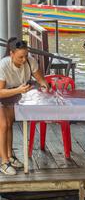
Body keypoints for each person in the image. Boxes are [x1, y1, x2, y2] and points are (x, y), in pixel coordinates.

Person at [0, 38, 50, 175]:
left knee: (9, 124)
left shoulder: (29, 60)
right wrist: (18, 91)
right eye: (20, 57)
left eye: (25, 56)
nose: (23, 60)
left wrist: (45, 85)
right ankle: (4, 162)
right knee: (3, 125)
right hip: (3, 93)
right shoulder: (3, 65)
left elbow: (40, 79)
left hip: (13, 93)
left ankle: (10, 156)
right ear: (11, 54)